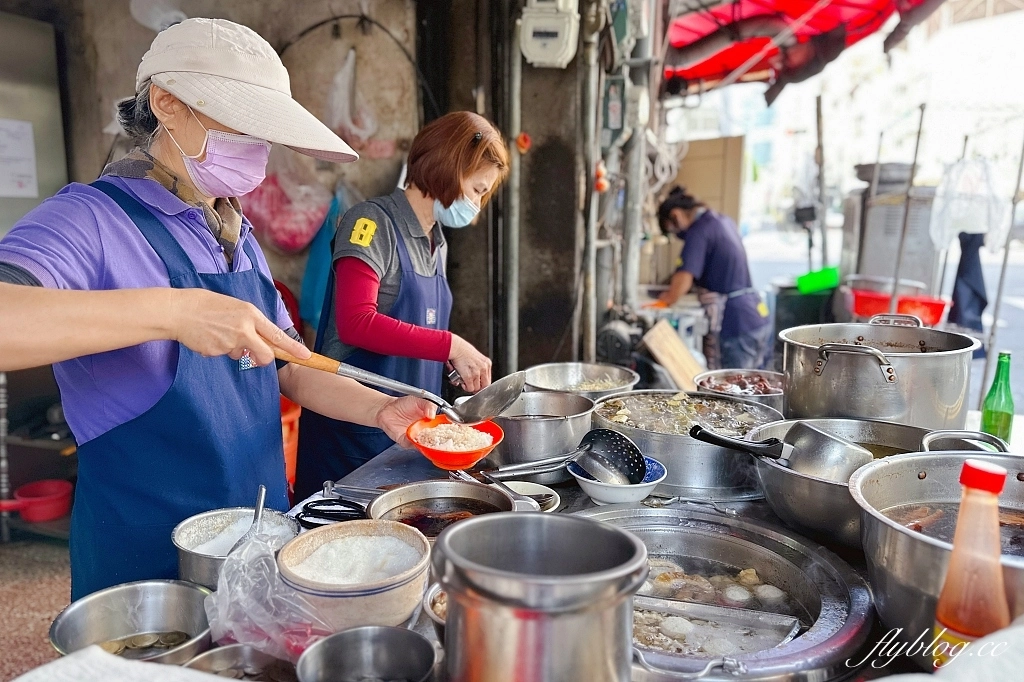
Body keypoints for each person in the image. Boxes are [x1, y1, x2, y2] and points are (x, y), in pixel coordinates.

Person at [0, 18, 435, 600]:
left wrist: (384, 412)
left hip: (258, 546)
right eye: (239, 126)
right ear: (167, 104)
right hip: (148, 573)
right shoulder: (89, 222)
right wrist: (176, 313)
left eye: (262, 134)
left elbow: (292, 365)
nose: (256, 150)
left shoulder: (234, 229)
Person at [295, 113, 508, 498]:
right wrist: (450, 345)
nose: (477, 205)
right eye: (476, 190)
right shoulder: (372, 223)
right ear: (446, 168)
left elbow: (414, 330)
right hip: (354, 440)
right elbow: (356, 321)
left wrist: (444, 361)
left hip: (409, 437)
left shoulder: (436, 242)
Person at [656, 187, 771, 369]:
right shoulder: (722, 221)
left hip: (735, 323)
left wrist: (664, 300)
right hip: (756, 315)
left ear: (676, 215)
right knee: (753, 386)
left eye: (672, 231)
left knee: (732, 389)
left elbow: (682, 282)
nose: (677, 236)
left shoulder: (698, 231)